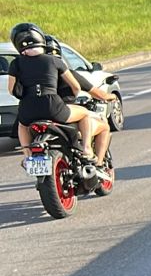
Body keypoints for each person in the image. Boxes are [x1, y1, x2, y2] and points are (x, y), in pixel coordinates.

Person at [6, 23, 109, 173]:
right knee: (84, 113)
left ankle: (27, 155)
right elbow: (76, 87)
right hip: (53, 107)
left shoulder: (15, 63)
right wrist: (72, 98)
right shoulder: (54, 61)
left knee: (22, 125)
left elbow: (11, 89)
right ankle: (86, 148)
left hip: (28, 110)